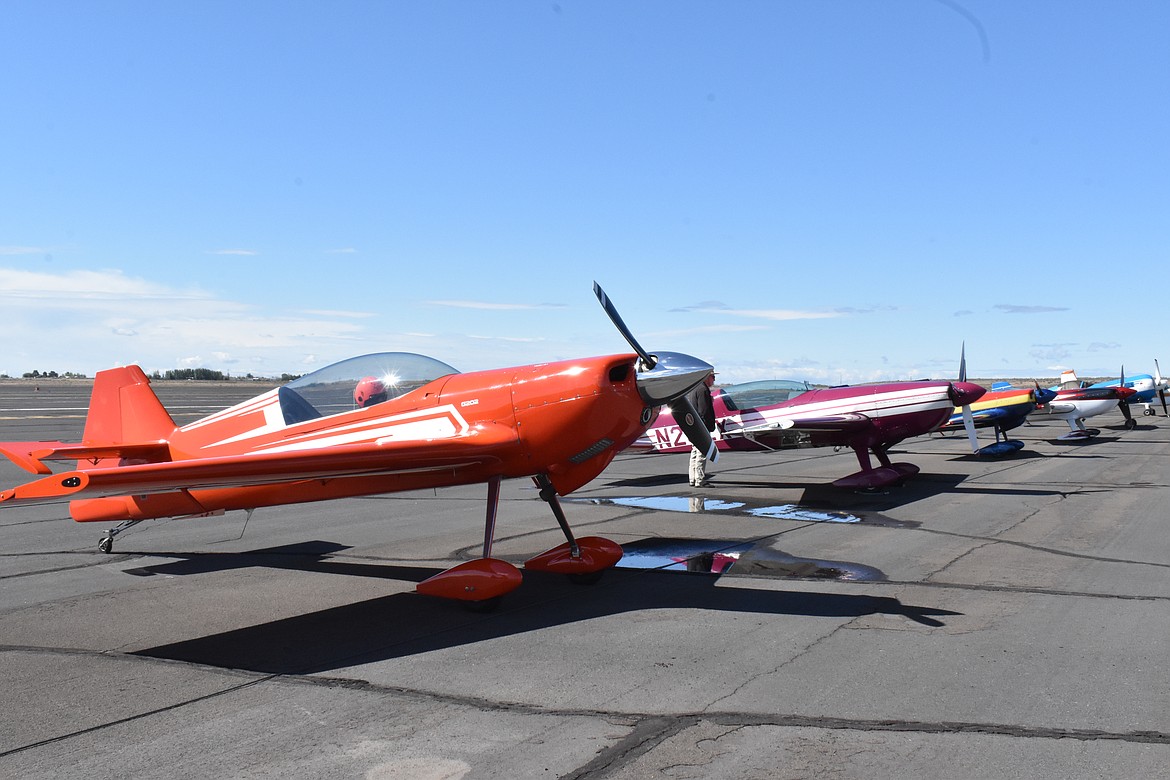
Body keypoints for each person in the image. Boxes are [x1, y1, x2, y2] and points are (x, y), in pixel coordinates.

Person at [688, 372, 717, 487]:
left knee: (695, 451)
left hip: (694, 426)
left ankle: (692, 478)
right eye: (713, 377)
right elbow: (704, 411)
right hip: (701, 427)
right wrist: (708, 427)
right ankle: (699, 479)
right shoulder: (703, 390)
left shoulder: (695, 389)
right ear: (707, 377)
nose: (714, 380)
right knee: (702, 452)